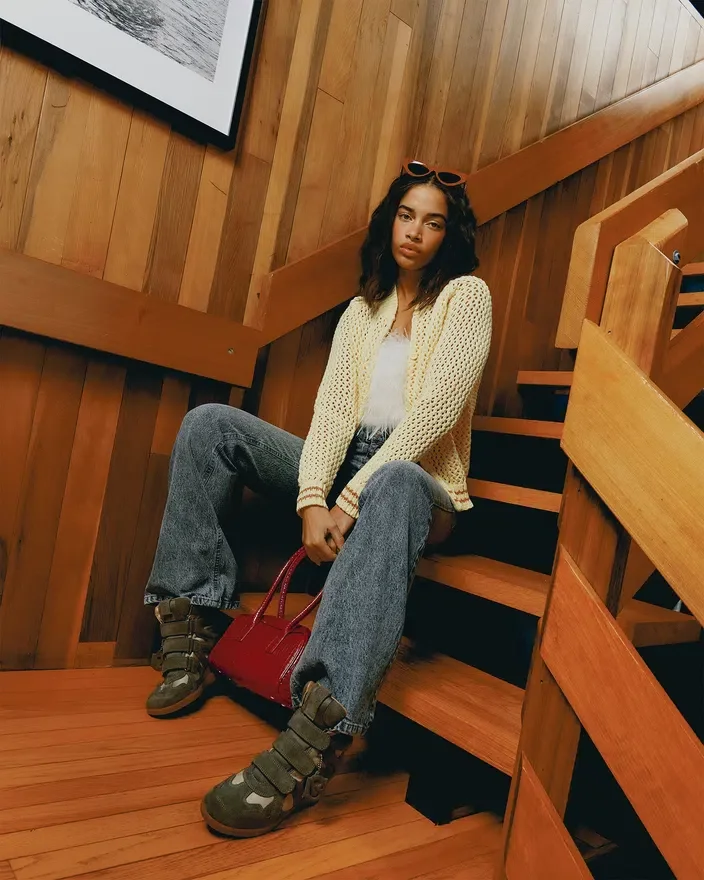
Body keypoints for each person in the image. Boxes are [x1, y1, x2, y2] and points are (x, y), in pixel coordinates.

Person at [143, 159, 493, 838]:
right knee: (211, 425)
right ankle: (193, 623)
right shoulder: (362, 310)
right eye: (406, 215)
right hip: (347, 469)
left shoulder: (466, 297)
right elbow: (333, 412)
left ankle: (317, 734)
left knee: (395, 479)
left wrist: (349, 500)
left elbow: (437, 412)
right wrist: (312, 499)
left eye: (432, 222)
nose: (415, 232)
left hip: (420, 484)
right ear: (389, 221)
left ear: (449, 236)